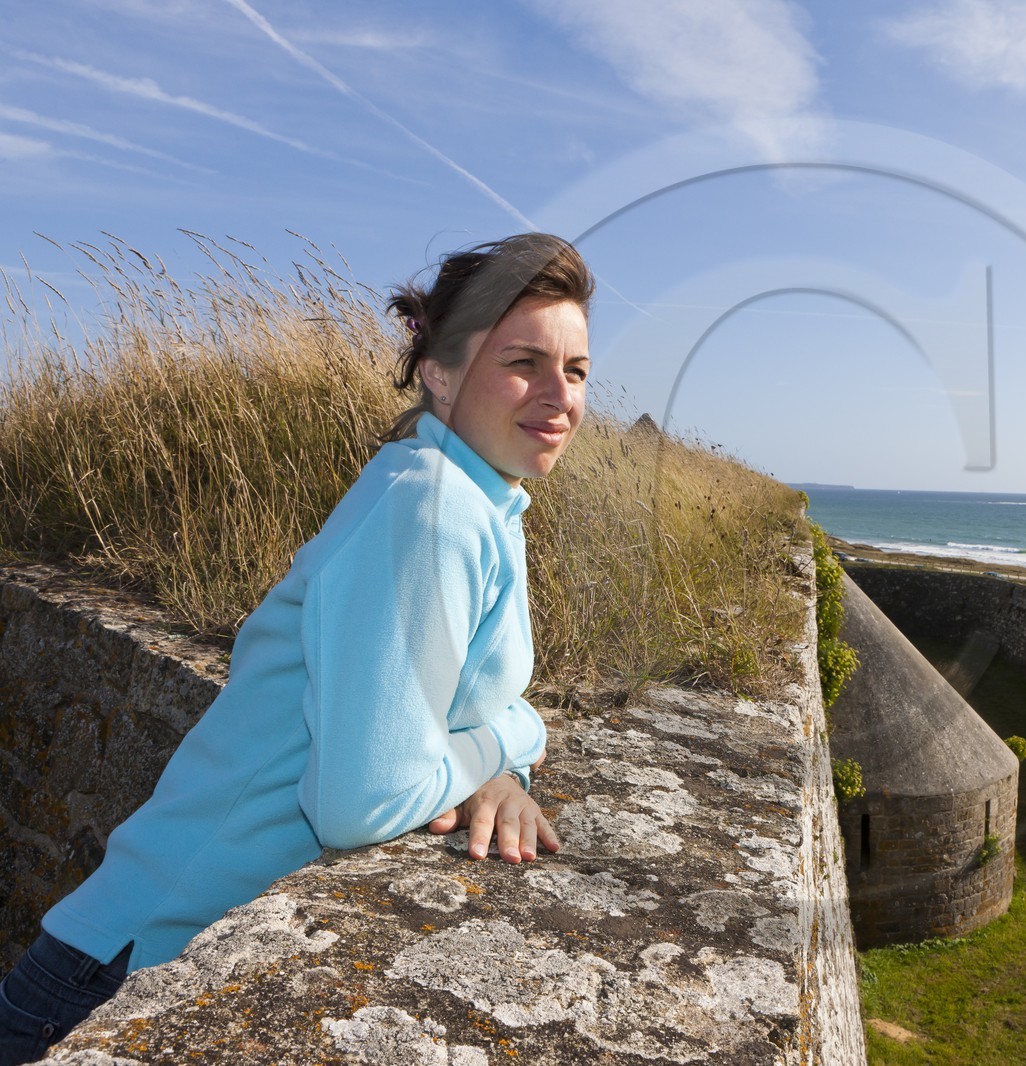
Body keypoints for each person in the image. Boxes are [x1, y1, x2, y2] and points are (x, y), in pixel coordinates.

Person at [0, 232, 593, 1065]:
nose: (558, 395)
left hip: (142, 954)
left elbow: (444, 709)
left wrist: (497, 771)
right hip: (122, 971)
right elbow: (363, 802)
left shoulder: (478, 499)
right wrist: (517, 739)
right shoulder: (432, 506)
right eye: (523, 362)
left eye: (575, 370)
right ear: (442, 373)